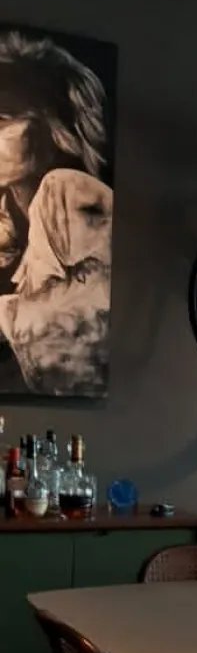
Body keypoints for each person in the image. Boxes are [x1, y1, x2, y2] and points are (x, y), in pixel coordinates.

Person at [0, 28, 112, 395]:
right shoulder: (9, 216)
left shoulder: (69, 191)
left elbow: (87, 327)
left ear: (53, 129)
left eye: (2, 120)